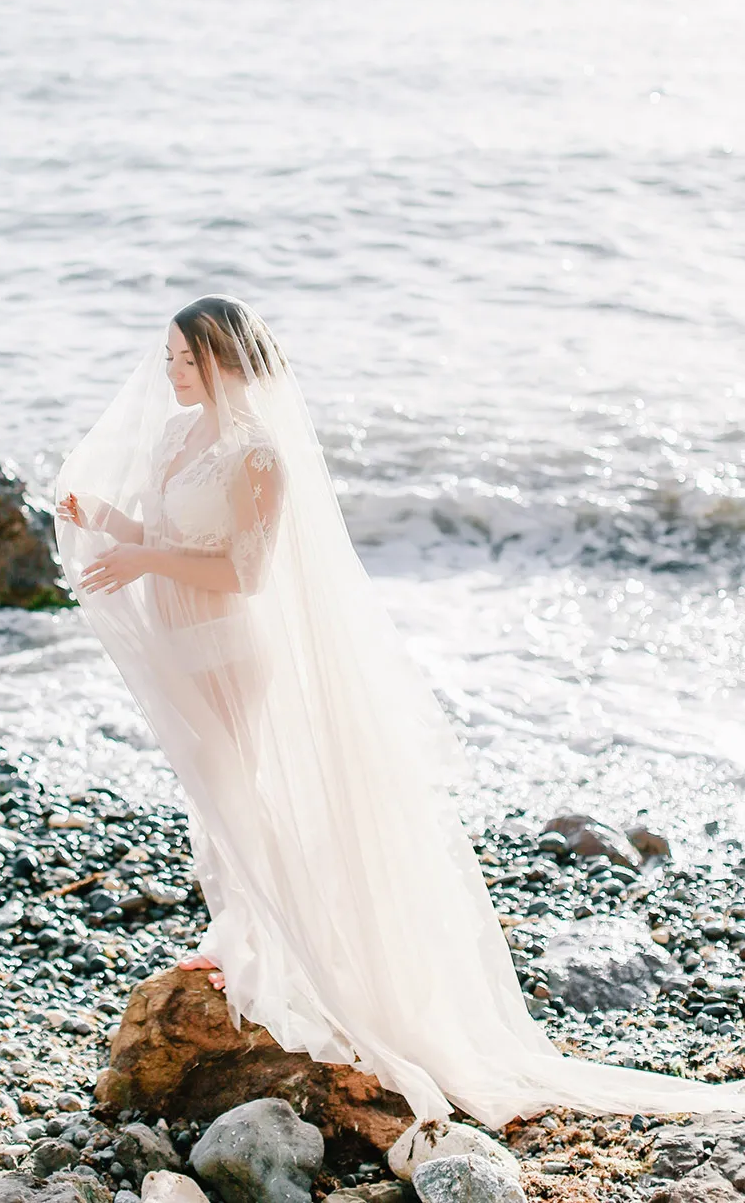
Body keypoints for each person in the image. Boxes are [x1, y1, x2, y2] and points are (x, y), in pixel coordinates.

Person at [54, 294, 745, 1129]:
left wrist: (140, 555)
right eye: (166, 356)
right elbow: (160, 534)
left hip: (228, 648)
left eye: (183, 359)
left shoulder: (259, 456)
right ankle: (241, 932)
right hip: (179, 643)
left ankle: (275, 950)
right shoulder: (176, 436)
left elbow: (242, 574)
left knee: (247, 795)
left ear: (224, 362)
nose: (168, 371)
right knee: (213, 796)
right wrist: (106, 523)